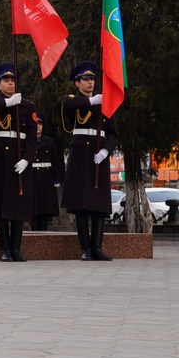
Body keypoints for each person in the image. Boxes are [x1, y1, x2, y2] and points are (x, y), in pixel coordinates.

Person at [60, 61, 120, 261]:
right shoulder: (73, 101)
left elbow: (112, 134)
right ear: (77, 83)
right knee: (81, 207)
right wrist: (91, 102)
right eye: (85, 79)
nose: (90, 82)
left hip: (98, 156)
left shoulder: (104, 104)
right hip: (79, 156)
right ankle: (85, 249)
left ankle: (97, 248)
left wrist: (106, 150)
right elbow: (67, 105)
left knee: (98, 206)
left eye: (92, 79)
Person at [0, 62, 38, 262]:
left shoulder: (27, 106)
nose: (11, 83)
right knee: (2, 205)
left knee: (18, 205)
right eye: (6, 80)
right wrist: (7, 104)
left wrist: (27, 159)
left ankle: (16, 248)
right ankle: (4, 248)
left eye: (13, 80)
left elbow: (31, 138)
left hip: (19, 157)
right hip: (1, 158)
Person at [31, 112, 64, 231]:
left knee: (44, 210)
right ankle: (34, 234)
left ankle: (43, 234)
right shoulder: (27, 141)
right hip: (32, 177)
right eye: (35, 124)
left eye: (40, 124)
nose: (38, 126)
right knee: (33, 210)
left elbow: (55, 160)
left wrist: (57, 178)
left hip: (46, 177)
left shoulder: (49, 142)